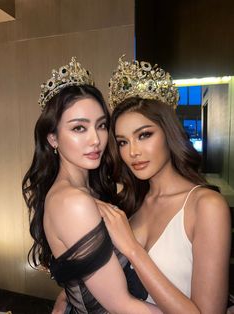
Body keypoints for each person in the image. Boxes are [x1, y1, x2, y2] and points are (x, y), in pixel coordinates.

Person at [22, 57, 163, 314]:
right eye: (78, 128)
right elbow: (121, 305)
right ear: (53, 138)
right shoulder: (73, 202)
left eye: (101, 126)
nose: (95, 140)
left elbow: (83, 279)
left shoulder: (85, 192)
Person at [99, 56, 231, 314]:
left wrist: (132, 249)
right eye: (123, 142)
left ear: (168, 133)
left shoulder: (205, 206)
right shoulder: (129, 201)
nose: (132, 152)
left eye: (144, 135)